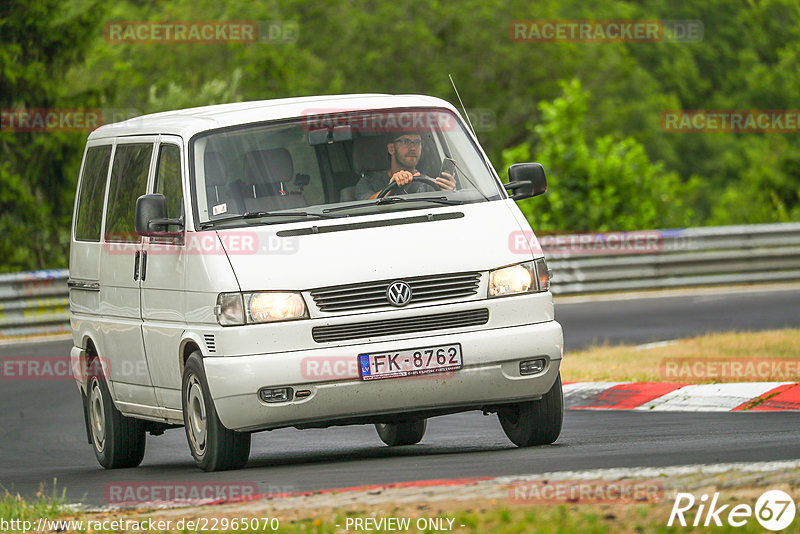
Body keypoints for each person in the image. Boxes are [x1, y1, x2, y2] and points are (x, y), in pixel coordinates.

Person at [354, 133, 456, 200]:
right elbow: (364, 206)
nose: (412, 148)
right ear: (391, 149)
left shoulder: (430, 184)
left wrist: (448, 194)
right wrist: (390, 189)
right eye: (405, 141)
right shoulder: (369, 182)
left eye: (417, 142)